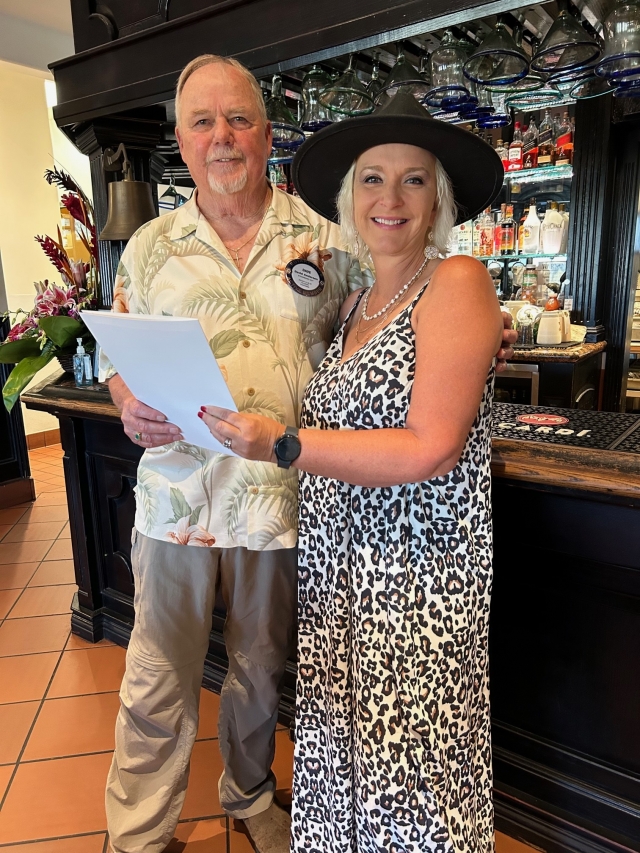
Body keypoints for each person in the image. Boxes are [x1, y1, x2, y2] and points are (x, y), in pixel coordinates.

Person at [102, 55, 516, 853]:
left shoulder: (331, 241)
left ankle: (248, 792)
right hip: (177, 500)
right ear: (181, 141)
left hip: (288, 504)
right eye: (203, 123)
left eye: (239, 119)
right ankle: (137, 836)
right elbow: (116, 355)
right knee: (156, 681)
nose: (222, 139)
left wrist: (482, 329)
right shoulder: (150, 246)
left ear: (265, 132)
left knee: (260, 674)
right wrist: (124, 400)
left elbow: (412, 297)